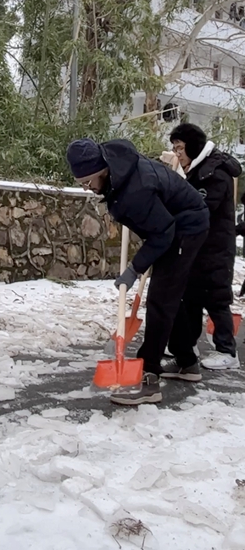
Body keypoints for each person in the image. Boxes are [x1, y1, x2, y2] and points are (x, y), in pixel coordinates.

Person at [67, 138, 209, 406]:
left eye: (88, 182)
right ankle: (187, 362)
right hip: (171, 225)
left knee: (160, 299)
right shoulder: (118, 172)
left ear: (102, 171)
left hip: (185, 227)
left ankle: (149, 377)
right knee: (168, 294)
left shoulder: (135, 190)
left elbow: (163, 232)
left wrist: (134, 269)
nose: (88, 189)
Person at [163, 123, 241, 370]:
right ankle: (188, 345)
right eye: (174, 149)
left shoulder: (214, 173)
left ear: (194, 147)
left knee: (216, 298)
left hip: (215, 248)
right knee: (192, 297)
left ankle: (227, 351)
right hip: (199, 247)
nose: (177, 154)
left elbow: (201, 208)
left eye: (180, 148)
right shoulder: (199, 170)